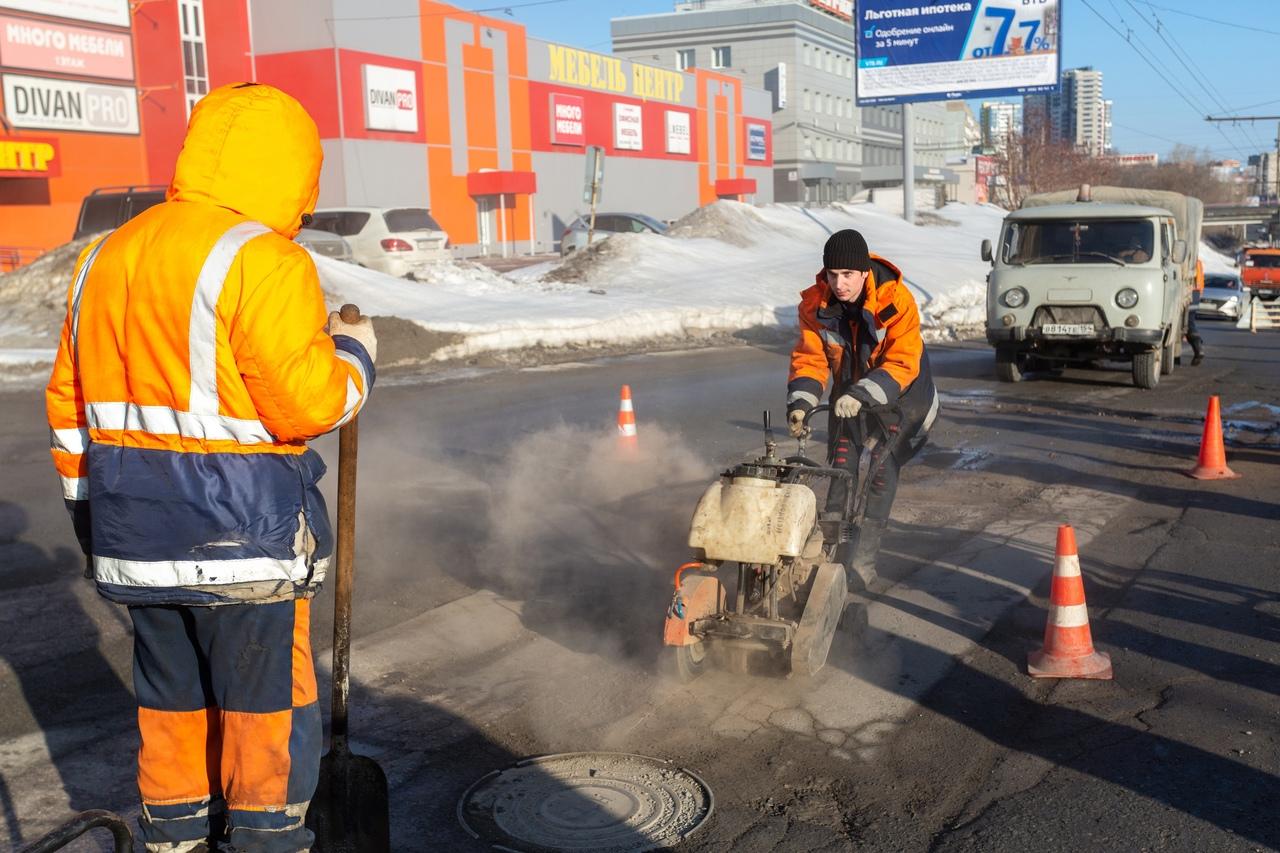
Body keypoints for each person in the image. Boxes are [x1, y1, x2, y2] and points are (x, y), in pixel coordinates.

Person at [45, 83, 377, 853]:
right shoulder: (265, 259)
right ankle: (264, 838)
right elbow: (305, 403)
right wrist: (356, 355)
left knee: (171, 704)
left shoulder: (103, 258)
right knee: (263, 707)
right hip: (246, 546)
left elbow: (68, 408)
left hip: (133, 537)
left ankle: (176, 838)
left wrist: (94, 519)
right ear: (294, 169)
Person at [786, 229, 939, 591]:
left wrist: (863, 394)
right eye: (833, 274)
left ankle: (864, 563)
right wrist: (801, 403)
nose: (840, 284)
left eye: (848, 275)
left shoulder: (896, 300)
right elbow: (810, 359)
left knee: (881, 472)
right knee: (842, 468)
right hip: (849, 390)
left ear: (864, 273)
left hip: (903, 393)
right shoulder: (815, 306)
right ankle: (832, 554)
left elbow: (903, 362)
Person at [1186, 258, 1206, 366]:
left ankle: (1198, 348)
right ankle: (1198, 348)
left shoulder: (1189, 260)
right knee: (1190, 322)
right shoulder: (1197, 261)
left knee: (1185, 323)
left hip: (1189, 291)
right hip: (1196, 293)